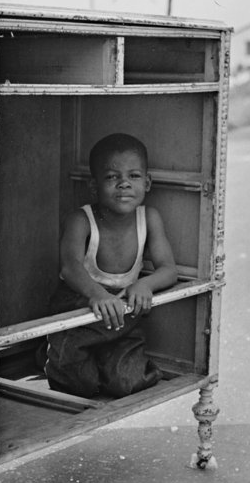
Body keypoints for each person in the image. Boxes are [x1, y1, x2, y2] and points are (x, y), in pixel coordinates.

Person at [44, 133, 178, 398]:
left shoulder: (149, 218)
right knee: (80, 386)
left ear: (147, 182)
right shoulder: (81, 219)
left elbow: (169, 269)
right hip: (80, 313)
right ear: (94, 186)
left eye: (134, 176)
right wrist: (97, 295)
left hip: (121, 319)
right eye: (112, 177)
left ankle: (105, 359)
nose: (124, 184)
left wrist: (144, 283)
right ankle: (51, 351)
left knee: (126, 383)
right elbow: (70, 267)